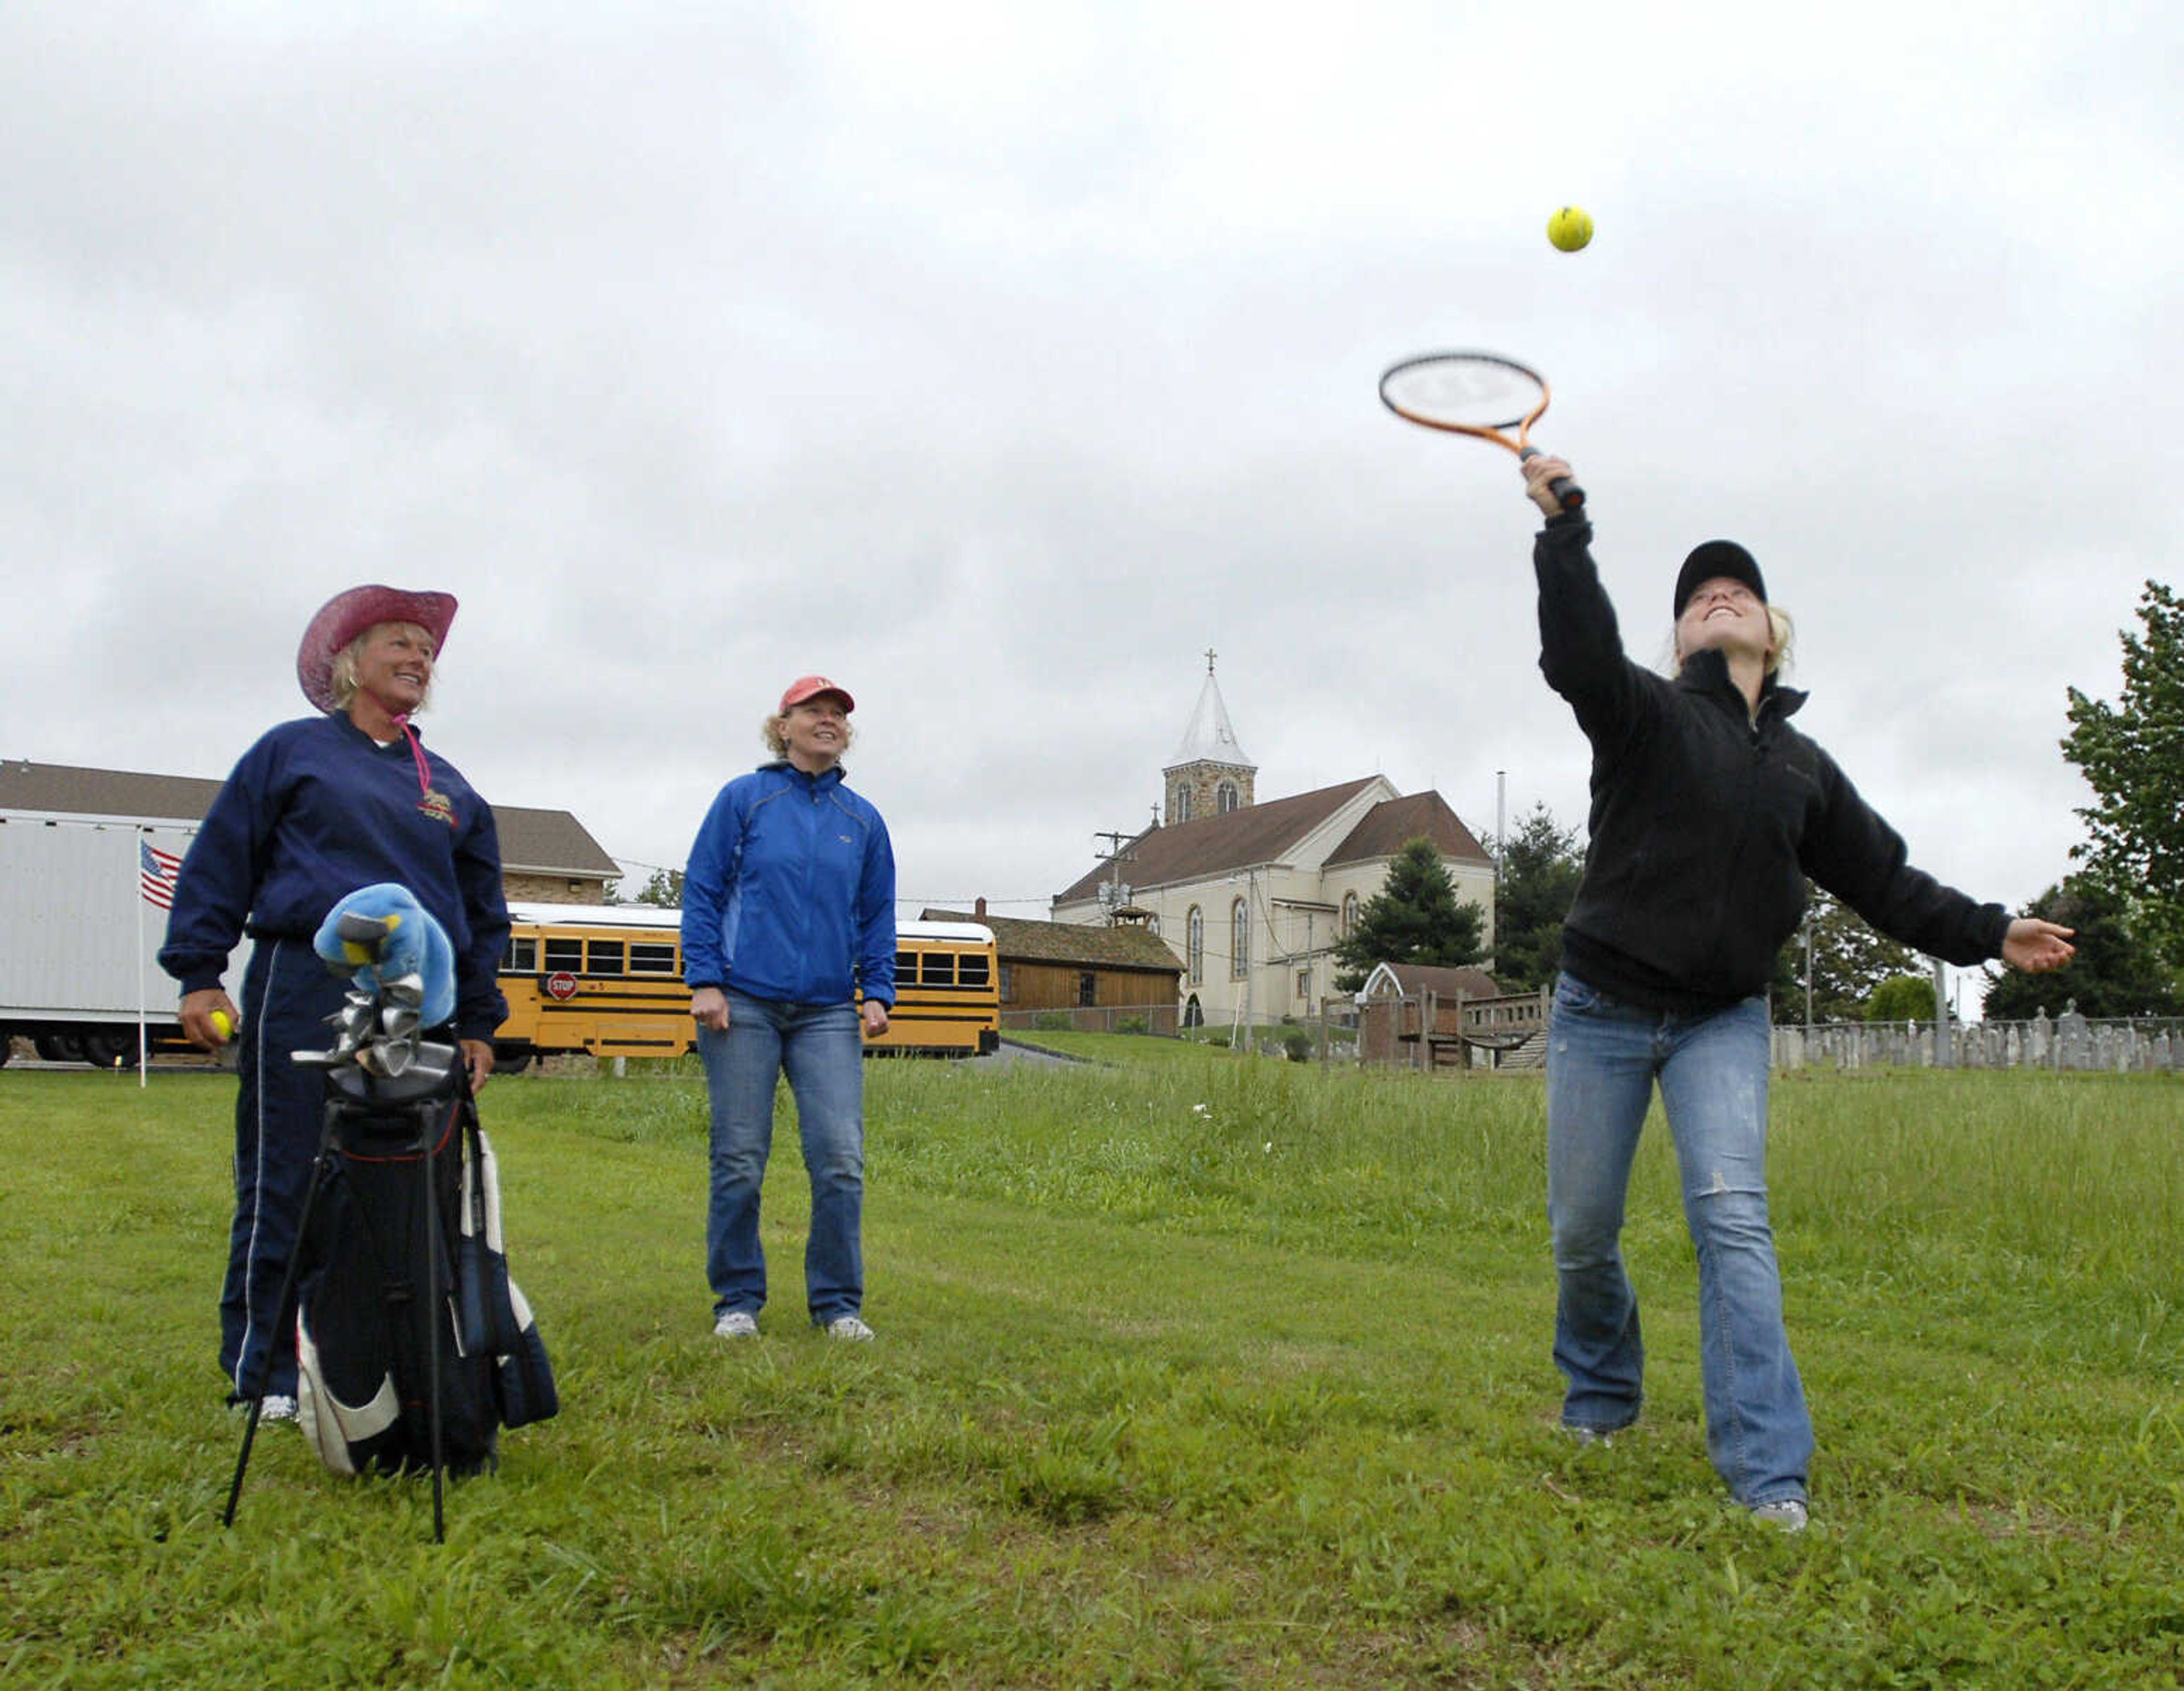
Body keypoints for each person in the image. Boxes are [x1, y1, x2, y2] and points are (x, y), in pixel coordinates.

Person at [1517, 455, 2075, 1531]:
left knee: (1734, 1223)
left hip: (1723, 1018)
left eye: (1738, 588)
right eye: (1695, 594)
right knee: (1583, 1231)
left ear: (1774, 633)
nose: (1717, 593)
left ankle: (1768, 1473)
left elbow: (1884, 880)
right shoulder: (1639, 713)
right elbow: (1575, 649)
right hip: (1604, 1008)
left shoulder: (1802, 767)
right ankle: (1600, 1393)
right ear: (1677, 637)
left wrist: (1992, 930)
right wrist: (1565, 529)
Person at [160, 585, 510, 1421]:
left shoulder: (451, 788)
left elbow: (479, 916)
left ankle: (381, 1364)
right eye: (400, 641)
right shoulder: (292, 753)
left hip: (415, 1005)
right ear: (352, 661)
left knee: (399, 1189)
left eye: (427, 649)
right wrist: (199, 972)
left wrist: (477, 1025)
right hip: (305, 982)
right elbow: (221, 860)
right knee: (289, 1177)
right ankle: (268, 1372)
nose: (419, 658)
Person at [682, 675, 896, 1342]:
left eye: (838, 715)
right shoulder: (744, 801)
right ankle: (738, 1301)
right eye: (815, 712)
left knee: (839, 1157)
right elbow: (703, 891)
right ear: (783, 726)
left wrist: (879, 991)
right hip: (742, 1002)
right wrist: (705, 979)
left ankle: (837, 1305)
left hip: (829, 1011)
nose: (828, 721)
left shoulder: (862, 821)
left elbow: (877, 913)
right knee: (741, 1157)